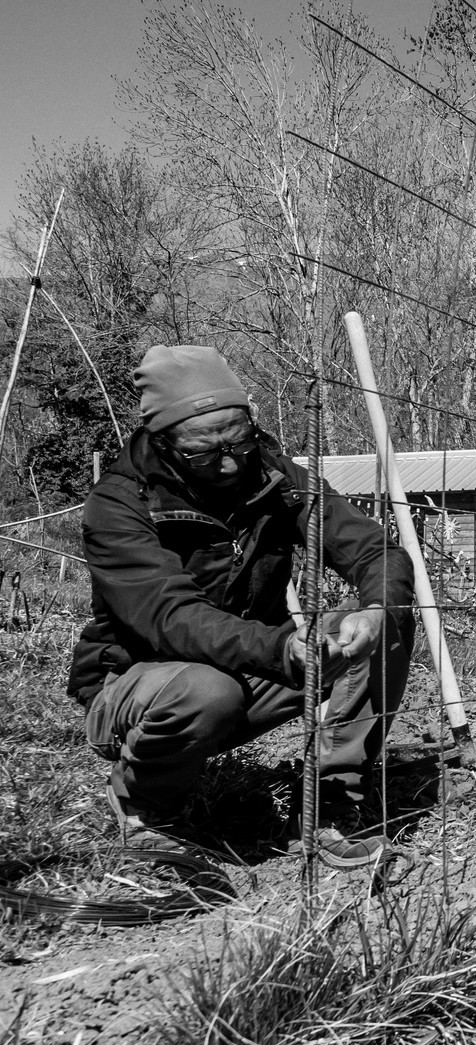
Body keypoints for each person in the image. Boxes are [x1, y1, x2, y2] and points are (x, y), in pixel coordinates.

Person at [70, 345, 415, 865]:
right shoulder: (120, 504)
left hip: (253, 668)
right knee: (205, 688)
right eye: (204, 452)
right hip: (138, 686)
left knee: (378, 623)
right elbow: (171, 619)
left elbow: (374, 549)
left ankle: (331, 799)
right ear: (161, 443)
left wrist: (374, 607)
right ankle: (147, 810)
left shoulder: (276, 478)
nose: (230, 462)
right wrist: (282, 646)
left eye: (240, 440)